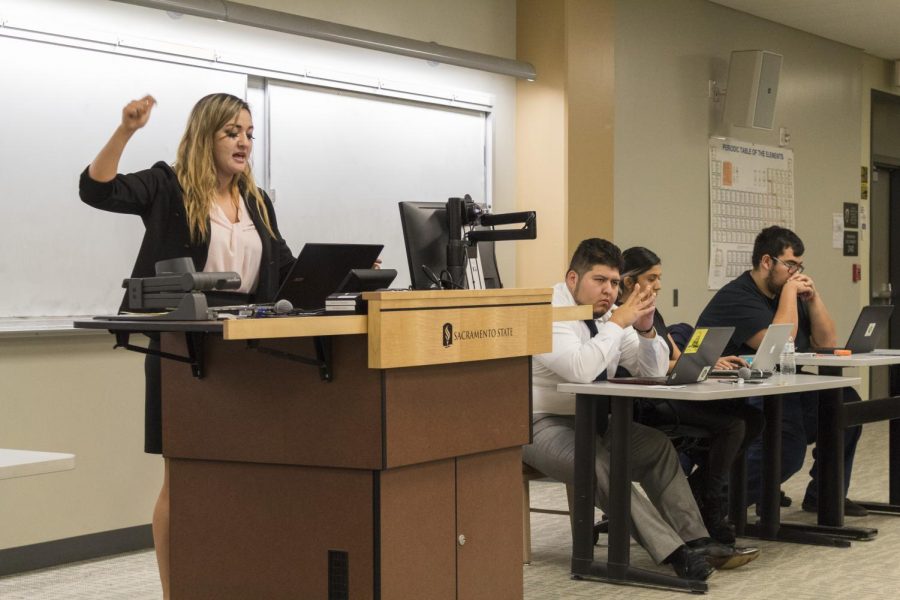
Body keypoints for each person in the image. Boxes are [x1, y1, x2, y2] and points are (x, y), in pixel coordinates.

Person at [79, 93, 295, 599]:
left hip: (246, 349)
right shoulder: (166, 185)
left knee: (244, 475)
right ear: (206, 136)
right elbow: (96, 190)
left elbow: (283, 270)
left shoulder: (258, 202)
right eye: (231, 133)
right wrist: (126, 130)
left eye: (248, 133)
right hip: (184, 347)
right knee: (183, 478)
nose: (243, 142)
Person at [524, 238, 759, 582]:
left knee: (657, 447)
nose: (608, 290)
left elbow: (650, 372)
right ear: (573, 279)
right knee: (598, 463)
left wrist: (647, 329)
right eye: (599, 281)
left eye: (615, 283)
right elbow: (579, 369)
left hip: (592, 421)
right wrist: (619, 323)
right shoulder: (548, 310)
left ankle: (696, 539)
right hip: (537, 424)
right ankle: (673, 552)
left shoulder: (607, 316)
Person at [696, 226, 864, 515]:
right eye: (790, 265)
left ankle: (824, 495)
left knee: (845, 403)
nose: (796, 273)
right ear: (766, 262)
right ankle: (708, 503)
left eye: (799, 266)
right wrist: (789, 293)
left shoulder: (789, 294)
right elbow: (778, 346)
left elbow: (827, 343)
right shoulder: (737, 296)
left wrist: (813, 298)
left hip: (784, 384)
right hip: (739, 389)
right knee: (787, 447)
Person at [619, 247, 764, 543]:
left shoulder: (652, 313)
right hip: (647, 401)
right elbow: (653, 366)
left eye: (660, 277)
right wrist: (702, 364)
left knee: (753, 418)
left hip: (671, 390)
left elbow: (675, 355)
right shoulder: (619, 317)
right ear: (628, 281)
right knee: (733, 425)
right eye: (651, 278)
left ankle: (697, 491)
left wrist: (710, 362)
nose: (658, 285)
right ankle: (711, 507)